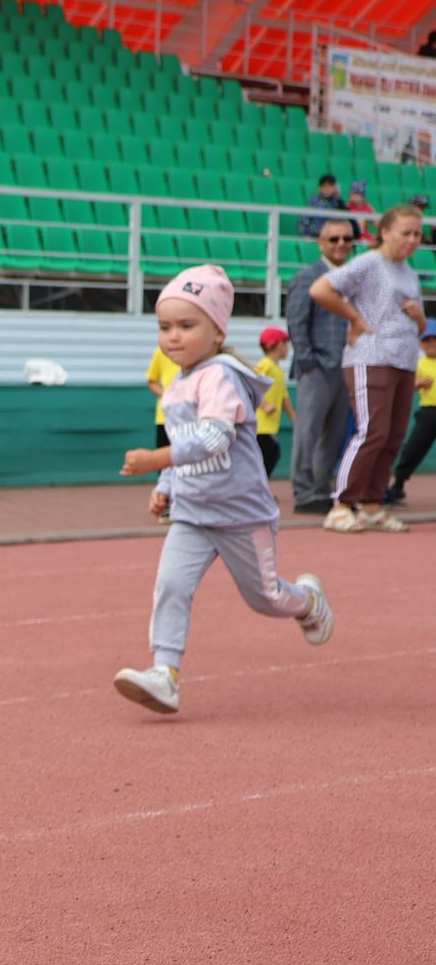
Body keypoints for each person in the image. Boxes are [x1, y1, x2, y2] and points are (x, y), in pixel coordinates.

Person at [112, 265, 332, 716]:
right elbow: (181, 444)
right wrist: (166, 485)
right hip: (193, 515)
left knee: (266, 599)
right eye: (165, 326)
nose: (173, 337)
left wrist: (157, 460)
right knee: (170, 585)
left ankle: (308, 600)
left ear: (216, 332)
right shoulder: (176, 385)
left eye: (186, 325)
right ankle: (165, 675)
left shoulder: (221, 377)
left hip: (241, 515)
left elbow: (214, 437)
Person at [311, 203, 427, 533]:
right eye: (406, 232)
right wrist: (355, 318)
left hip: (403, 360)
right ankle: (342, 504)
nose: (413, 239)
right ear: (385, 232)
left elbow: (416, 327)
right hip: (371, 358)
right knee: (371, 432)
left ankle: (373, 505)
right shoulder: (369, 262)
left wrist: (419, 317)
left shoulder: (408, 271)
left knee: (392, 436)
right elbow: (321, 289)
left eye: (417, 234)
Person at [284, 218, 355, 514]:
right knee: (309, 430)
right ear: (321, 243)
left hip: (348, 364)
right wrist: (308, 360)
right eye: (334, 239)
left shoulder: (354, 277)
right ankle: (303, 491)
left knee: (335, 432)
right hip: (318, 366)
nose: (341, 244)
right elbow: (296, 322)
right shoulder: (308, 276)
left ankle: (320, 487)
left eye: (346, 239)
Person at [385, 326, 436, 504]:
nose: (431, 344)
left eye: (434, 340)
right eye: (427, 340)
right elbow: (406, 387)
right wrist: (418, 383)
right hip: (429, 411)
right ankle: (398, 486)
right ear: (421, 344)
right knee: (413, 450)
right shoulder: (418, 364)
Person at [253, 326, 294, 478]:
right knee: (270, 454)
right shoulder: (265, 365)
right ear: (279, 345)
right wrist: (264, 404)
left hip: (270, 426)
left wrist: (294, 418)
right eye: (286, 343)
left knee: (270, 455)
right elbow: (253, 382)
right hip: (260, 425)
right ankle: (257, 490)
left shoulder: (278, 370)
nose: (288, 348)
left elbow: (284, 397)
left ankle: (258, 489)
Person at [144, 345, 179, 448]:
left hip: (190, 417)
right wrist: (165, 395)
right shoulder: (161, 351)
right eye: (165, 328)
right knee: (164, 458)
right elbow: (151, 380)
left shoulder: (197, 351)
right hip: (164, 416)